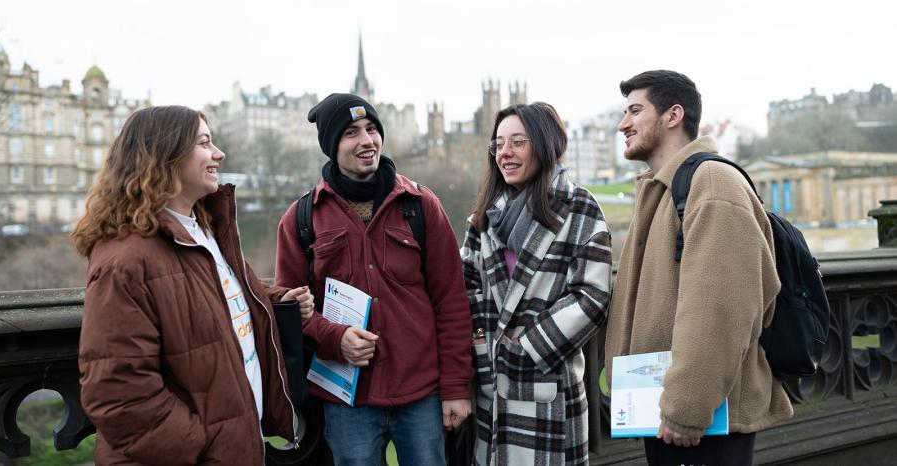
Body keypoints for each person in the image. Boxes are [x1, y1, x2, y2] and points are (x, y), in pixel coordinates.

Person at [72, 105, 314, 465]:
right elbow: (118, 395)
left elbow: (213, 299)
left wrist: (279, 300)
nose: (219, 153)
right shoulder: (124, 261)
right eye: (205, 143)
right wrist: (201, 447)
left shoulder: (203, 230)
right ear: (165, 155)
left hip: (237, 444)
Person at [605, 70, 793, 465]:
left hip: (702, 421)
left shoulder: (712, 182)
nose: (623, 123)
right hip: (665, 409)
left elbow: (720, 307)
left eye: (635, 111)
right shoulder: (662, 186)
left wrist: (687, 407)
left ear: (673, 115)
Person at [275, 93, 472, 466]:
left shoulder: (421, 206)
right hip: (346, 403)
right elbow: (289, 309)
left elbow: (451, 303)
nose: (366, 141)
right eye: (351, 133)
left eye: (371, 129)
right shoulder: (301, 218)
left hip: (421, 396)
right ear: (332, 147)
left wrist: (456, 388)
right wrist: (334, 338)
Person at [461, 102, 613, 466]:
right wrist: (483, 345)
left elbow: (592, 295)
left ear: (544, 145)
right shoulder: (483, 218)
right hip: (492, 389)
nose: (505, 153)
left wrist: (526, 344)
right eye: (498, 144)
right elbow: (466, 287)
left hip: (549, 387)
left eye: (518, 142)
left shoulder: (579, 209)